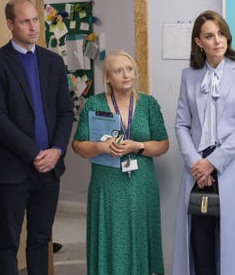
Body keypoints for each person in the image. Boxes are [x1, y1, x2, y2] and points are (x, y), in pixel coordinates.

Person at [0, 0, 74, 275]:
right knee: (8, 242)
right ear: (10, 24)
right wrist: (34, 153)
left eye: (36, 20)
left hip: (50, 168)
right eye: (25, 21)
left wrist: (56, 149)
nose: (33, 27)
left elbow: (65, 112)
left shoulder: (53, 62)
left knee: (40, 239)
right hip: (12, 169)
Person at [172, 10, 235, 275]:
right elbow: (181, 124)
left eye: (221, 34)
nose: (217, 40)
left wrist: (212, 163)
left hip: (229, 166)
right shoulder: (189, 75)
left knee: (231, 241)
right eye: (209, 36)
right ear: (199, 42)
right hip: (196, 167)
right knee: (201, 240)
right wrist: (196, 163)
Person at [72, 49, 169, 275]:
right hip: (107, 185)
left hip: (141, 185)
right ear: (107, 77)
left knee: (139, 236)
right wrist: (99, 147)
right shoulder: (93, 104)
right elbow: (78, 146)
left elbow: (163, 144)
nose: (126, 75)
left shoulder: (148, 104)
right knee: (111, 237)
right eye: (118, 71)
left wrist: (137, 146)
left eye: (129, 69)